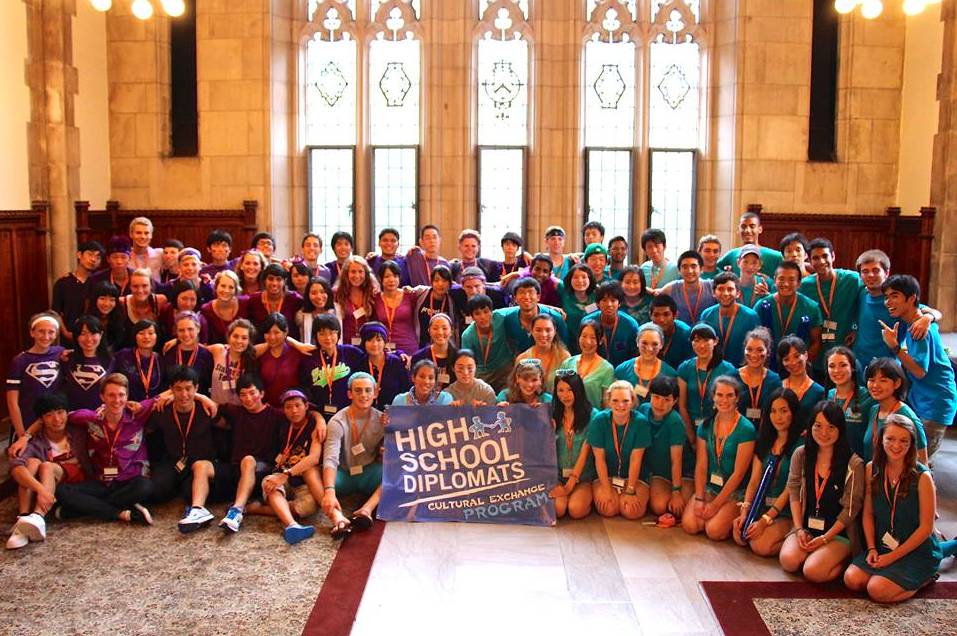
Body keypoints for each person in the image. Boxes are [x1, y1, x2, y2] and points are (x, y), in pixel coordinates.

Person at [844, 415, 951, 603]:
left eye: (904, 441)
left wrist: (892, 557)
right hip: (883, 545)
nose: (896, 445)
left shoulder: (922, 477)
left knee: (877, 590)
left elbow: (926, 528)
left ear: (912, 443)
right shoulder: (872, 469)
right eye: (890, 439)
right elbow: (868, 514)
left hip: (916, 550)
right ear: (881, 440)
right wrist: (870, 548)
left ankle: (927, 576)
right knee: (852, 579)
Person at [51, 374, 155, 525]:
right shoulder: (91, 418)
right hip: (102, 481)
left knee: (146, 487)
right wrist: (26, 436)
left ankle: (78, 510)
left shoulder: (137, 414)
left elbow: (170, 393)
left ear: (127, 396)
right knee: (61, 491)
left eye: (121, 395)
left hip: (130, 480)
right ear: (102, 397)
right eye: (111, 395)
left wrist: (202, 398)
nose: (117, 400)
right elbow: (57, 419)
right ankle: (121, 512)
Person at [780, 401, 865, 582]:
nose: (823, 433)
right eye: (818, 426)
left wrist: (826, 538)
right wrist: (799, 528)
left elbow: (851, 509)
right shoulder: (801, 454)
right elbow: (794, 491)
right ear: (810, 427)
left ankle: (843, 561)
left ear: (840, 429)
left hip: (837, 534)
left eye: (831, 427)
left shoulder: (854, 463)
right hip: (807, 528)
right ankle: (818, 555)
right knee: (788, 561)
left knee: (813, 572)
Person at [880, 274, 957, 461]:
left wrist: (895, 347)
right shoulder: (917, 317)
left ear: (911, 298)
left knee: (919, 464)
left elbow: (919, 371)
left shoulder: (919, 329)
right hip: (922, 401)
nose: (888, 302)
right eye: (886, 297)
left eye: (894, 296)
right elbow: (931, 311)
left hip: (935, 403)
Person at [6, 393, 87, 549]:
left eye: (60, 412)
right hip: (49, 490)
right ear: (41, 419)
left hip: (77, 482)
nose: (56, 419)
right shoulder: (36, 441)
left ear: (67, 413)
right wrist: (41, 490)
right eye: (49, 415)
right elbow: (16, 469)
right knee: (32, 462)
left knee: (46, 466)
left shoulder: (78, 431)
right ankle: (23, 520)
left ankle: (37, 516)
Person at [682, 376, 756, 541]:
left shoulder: (746, 429)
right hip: (711, 487)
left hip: (734, 492)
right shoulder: (705, 426)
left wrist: (716, 505)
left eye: (730, 395)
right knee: (690, 525)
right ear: (713, 397)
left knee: (713, 531)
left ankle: (731, 517)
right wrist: (700, 498)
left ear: (737, 398)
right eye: (720, 395)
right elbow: (701, 466)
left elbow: (739, 474)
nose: (724, 400)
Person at [146, 367, 223, 521]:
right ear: (171, 390)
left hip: (199, 462)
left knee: (191, 494)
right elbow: (147, 430)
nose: (184, 395)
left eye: (188, 389)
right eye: (178, 389)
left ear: (196, 388)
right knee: (157, 491)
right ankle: (174, 484)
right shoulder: (163, 410)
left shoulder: (206, 409)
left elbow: (226, 426)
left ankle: (185, 491)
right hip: (172, 460)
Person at [733, 388, 803, 557]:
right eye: (773, 411)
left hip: (786, 511)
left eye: (784, 411)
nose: (777, 417)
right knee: (740, 536)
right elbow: (754, 481)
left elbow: (790, 490)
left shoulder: (800, 445)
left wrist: (766, 520)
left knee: (760, 546)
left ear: (793, 413)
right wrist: (745, 511)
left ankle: (795, 544)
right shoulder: (764, 441)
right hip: (761, 505)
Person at [257, 389, 327, 545]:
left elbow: (314, 458)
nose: (294, 411)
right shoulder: (282, 425)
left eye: (297, 405)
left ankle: (255, 509)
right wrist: (280, 476)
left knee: (308, 507)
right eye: (288, 407)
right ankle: (291, 525)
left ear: (306, 406)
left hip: (302, 480)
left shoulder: (314, 426)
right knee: (269, 484)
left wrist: (319, 417)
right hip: (281, 476)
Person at [216, 374, 282, 533]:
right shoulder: (236, 412)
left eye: (252, 393)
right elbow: (213, 407)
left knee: (248, 460)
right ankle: (197, 510)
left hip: (263, 469)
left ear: (262, 393)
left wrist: (319, 420)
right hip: (237, 469)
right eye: (243, 395)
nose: (248, 398)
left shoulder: (275, 415)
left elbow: (305, 412)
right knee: (201, 466)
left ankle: (236, 511)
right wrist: (198, 396)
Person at [322, 373, 385, 538]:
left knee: (399, 471)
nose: (363, 395)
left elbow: (392, 453)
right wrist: (329, 491)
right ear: (350, 394)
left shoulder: (383, 420)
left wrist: (386, 452)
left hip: (369, 473)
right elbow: (330, 458)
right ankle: (337, 518)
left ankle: (366, 510)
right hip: (344, 474)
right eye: (358, 391)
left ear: (375, 393)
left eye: (367, 390)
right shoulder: (337, 422)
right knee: (316, 477)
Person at [852, 249, 937, 367]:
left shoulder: (896, 301)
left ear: (886, 273)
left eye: (876, 270)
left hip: (887, 368)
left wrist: (928, 317)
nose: (870, 275)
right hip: (859, 364)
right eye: (865, 271)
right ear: (860, 276)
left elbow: (929, 311)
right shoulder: (862, 294)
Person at [588, 380, 651, 519]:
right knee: (609, 509)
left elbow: (636, 460)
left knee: (631, 511)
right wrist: (605, 488)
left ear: (632, 401)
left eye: (625, 400)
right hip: (607, 475)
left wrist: (630, 490)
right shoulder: (599, 421)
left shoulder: (641, 422)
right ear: (608, 401)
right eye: (615, 400)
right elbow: (599, 459)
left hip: (634, 478)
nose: (620, 405)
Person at [799, 238, 863, 376]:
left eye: (825, 256)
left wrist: (855, 327)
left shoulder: (851, 279)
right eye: (815, 258)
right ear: (809, 261)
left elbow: (876, 291)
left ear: (833, 256)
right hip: (818, 354)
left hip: (846, 349)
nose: (821, 261)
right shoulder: (805, 285)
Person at [6, 313, 65, 440]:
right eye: (41, 331)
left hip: (55, 422)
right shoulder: (20, 361)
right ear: (32, 333)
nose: (46, 336)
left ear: (56, 334)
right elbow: (12, 402)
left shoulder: (60, 353)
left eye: (51, 332)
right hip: (29, 420)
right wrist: (22, 434)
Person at [755, 261, 822, 368]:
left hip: (798, 367)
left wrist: (800, 364)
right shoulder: (762, 306)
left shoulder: (811, 307)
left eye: (791, 280)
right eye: (781, 279)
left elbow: (816, 342)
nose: (786, 284)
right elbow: (754, 340)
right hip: (767, 367)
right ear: (774, 280)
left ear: (799, 283)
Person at [639, 376, 690, 517]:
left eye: (666, 399)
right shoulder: (643, 410)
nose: (660, 404)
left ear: (675, 401)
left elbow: (676, 460)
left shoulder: (675, 422)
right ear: (650, 396)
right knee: (658, 506)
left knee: (665, 507)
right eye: (656, 397)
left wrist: (676, 491)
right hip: (655, 471)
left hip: (678, 472)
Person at [862, 358, 928, 465]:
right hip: (872, 477)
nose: (875, 385)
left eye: (883, 380)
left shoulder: (907, 416)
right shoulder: (874, 410)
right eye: (871, 380)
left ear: (897, 383)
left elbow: (922, 461)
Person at [549, 371, 596, 519]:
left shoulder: (592, 415)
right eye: (560, 390)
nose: (565, 395)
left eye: (570, 390)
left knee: (576, 510)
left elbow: (585, 451)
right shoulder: (551, 414)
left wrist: (569, 486)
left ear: (578, 390)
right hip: (558, 475)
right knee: (559, 510)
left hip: (582, 477)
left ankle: (589, 497)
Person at [298, 314, 364, 415]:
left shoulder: (351, 353)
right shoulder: (308, 358)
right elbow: (303, 388)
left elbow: (372, 355)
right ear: (315, 335)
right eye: (322, 334)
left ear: (338, 334)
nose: (328, 338)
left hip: (348, 413)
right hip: (318, 414)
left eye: (332, 333)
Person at [677, 324, 736, 433]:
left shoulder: (727, 369)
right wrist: (691, 437)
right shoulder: (684, 368)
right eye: (697, 340)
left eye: (706, 340)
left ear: (715, 341)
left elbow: (731, 405)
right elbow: (682, 406)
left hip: (718, 427)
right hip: (689, 426)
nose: (701, 345)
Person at [700, 272, 761, 368]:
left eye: (730, 289)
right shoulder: (706, 315)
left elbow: (758, 347)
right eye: (720, 289)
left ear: (738, 293)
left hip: (742, 371)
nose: (725, 293)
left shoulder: (751, 317)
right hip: (714, 369)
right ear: (713, 293)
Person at [496, 277, 568, 354]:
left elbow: (564, 347)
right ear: (515, 298)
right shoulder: (509, 319)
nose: (526, 297)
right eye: (522, 292)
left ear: (538, 297)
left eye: (530, 292)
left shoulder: (555, 318)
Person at [825, 347, 874, 459]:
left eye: (843, 365)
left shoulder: (869, 397)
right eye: (832, 366)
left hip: (859, 464)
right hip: (831, 461)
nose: (837, 370)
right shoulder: (827, 396)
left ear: (852, 367)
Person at [614, 322, 678, 405]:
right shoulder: (622, 370)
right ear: (637, 342)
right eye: (644, 343)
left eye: (655, 344)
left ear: (661, 345)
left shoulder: (670, 374)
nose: (649, 348)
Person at [52, 240, 103, 344]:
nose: (93, 259)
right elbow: (56, 311)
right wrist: (66, 333)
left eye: (98, 257)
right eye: (90, 254)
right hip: (69, 336)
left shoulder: (99, 282)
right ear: (79, 254)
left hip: (93, 337)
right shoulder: (63, 282)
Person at [460, 294, 513, 392]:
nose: (483, 317)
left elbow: (519, 309)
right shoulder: (467, 336)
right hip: (483, 374)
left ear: (491, 312)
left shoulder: (500, 316)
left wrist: (549, 309)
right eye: (477, 313)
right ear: (472, 317)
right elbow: (467, 362)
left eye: (486, 312)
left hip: (505, 369)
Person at [558, 319, 614, 409]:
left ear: (600, 341)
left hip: (593, 419)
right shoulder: (567, 363)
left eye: (593, 338)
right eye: (584, 336)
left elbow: (606, 404)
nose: (588, 341)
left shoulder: (607, 369)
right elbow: (559, 393)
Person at [583, 281, 640, 367]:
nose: (609, 304)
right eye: (604, 300)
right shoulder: (588, 322)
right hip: (594, 370)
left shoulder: (631, 325)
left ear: (619, 303)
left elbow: (635, 357)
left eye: (613, 300)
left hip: (622, 372)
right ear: (598, 303)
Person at [731, 327, 783, 421]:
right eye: (749, 349)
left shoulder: (775, 381)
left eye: (759, 350)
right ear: (744, 350)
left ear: (768, 352)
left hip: (766, 432)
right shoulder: (732, 378)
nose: (754, 355)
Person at [257, 313, 308, 408]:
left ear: (285, 332)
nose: (272, 337)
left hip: (293, 410)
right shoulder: (261, 354)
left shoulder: (297, 353)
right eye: (268, 332)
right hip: (268, 409)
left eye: (276, 332)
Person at [62, 315, 114, 411]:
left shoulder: (112, 361)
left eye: (93, 333)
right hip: (72, 418)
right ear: (76, 337)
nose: (89, 339)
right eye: (83, 333)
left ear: (101, 335)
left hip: (101, 418)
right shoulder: (66, 359)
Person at [206, 319, 259, 407]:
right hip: (215, 407)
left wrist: (287, 338)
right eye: (235, 336)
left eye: (244, 338)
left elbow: (271, 344)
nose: (239, 341)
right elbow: (197, 347)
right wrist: (175, 341)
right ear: (229, 336)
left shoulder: (251, 356)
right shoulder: (219, 350)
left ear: (249, 341)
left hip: (240, 410)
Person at [777, 336, 826, 431]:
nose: (793, 362)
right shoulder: (777, 387)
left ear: (806, 355)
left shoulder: (819, 392)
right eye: (787, 359)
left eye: (796, 356)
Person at [358, 321, 411, 409]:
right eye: (370, 340)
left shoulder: (397, 363)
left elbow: (407, 393)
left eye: (379, 340)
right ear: (364, 343)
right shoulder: (359, 363)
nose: (374, 344)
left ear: (385, 342)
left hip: (394, 415)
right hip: (365, 415)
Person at [716, 211, 783, 278]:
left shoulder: (776, 257)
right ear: (738, 230)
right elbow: (713, 271)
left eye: (752, 226)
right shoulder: (731, 255)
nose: (747, 230)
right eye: (743, 226)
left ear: (760, 229)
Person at [160, 311, 214, 395]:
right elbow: (165, 383)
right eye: (181, 330)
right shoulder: (169, 352)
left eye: (190, 329)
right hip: (172, 402)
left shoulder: (207, 355)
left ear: (198, 329)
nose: (186, 334)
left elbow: (209, 386)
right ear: (176, 332)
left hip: (199, 404)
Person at [372, 261, 419, 354]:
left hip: (408, 347)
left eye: (395, 276)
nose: (391, 280)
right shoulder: (375, 298)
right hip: (383, 348)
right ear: (381, 279)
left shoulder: (410, 295)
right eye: (387, 276)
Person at [516, 313, 570, 391]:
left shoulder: (564, 357)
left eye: (548, 330)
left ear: (554, 331)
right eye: (538, 330)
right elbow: (516, 389)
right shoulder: (522, 359)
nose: (544, 334)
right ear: (532, 331)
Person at [113, 320, 165, 402]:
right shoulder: (122, 356)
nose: (146, 337)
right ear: (134, 336)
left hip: (153, 407)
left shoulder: (160, 360)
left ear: (157, 336)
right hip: (126, 406)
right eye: (141, 333)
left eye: (151, 333)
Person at [247, 263, 302, 340]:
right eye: (270, 279)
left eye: (279, 279)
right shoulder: (254, 300)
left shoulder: (295, 299)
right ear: (264, 280)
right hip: (261, 347)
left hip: (289, 347)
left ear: (285, 281)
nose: (274, 283)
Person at [333, 255, 379, 346]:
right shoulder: (337, 294)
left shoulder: (373, 293)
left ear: (366, 273)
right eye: (353, 272)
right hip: (344, 344)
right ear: (346, 273)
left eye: (360, 272)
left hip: (368, 344)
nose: (357, 276)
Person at [661, 251, 716, 325]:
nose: (689, 271)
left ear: (701, 269)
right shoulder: (670, 289)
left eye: (693, 266)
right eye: (685, 267)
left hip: (707, 334)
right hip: (680, 334)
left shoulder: (712, 287)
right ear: (679, 271)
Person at [118, 269, 168, 346]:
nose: (140, 290)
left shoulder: (160, 301)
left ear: (151, 286)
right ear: (130, 287)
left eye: (144, 286)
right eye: (135, 286)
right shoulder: (122, 303)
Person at [411, 313, 459, 391]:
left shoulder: (458, 357)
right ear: (429, 331)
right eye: (435, 328)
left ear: (451, 332)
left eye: (444, 328)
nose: (440, 332)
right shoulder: (419, 357)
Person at [200, 270, 249, 345]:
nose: (226, 290)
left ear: (236, 291)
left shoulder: (245, 302)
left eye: (231, 287)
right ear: (216, 287)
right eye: (223, 286)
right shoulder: (206, 309)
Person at [414, 264, 458, 346]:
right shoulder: (420, 293)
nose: (440, 284)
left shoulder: (452, 300)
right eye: (436, 280)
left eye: (444, 281)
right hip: (419, 345)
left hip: (442, 346)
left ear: (450, 283)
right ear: (431, 282)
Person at [557, 264, 597, 352]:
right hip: (568, 343)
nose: (580, 280)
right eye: (575, 277)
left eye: (584, 277)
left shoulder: (597, 295)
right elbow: (549, 278)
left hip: (592, 343)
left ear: (590, 279)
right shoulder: (564, 292)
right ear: (570, 279)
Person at [650, 295, 693, 371]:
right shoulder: (644, 334)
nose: (661, 319)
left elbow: (690, 368)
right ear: (650, 316)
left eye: (666, 314)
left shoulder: (686, 335)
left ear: (675, 315)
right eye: (656, 315)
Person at [159, 279, 209, 344]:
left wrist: (177, 341)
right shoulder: (166, 310)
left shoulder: (201, 320)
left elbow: (204, 346)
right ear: (176, 297)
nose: (188, 304)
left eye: (192, 299)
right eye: (184, 299)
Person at [86, 281, 127, 349]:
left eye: (112, 300)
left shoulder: (120, 319)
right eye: (102, 298)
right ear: (95, 299)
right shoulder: (86, 321)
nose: (107, 304)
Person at [296, 277, 336, 345]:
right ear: (308, 295)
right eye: (314, 293)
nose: (319, 297)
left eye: (322, 292)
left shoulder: (338, 312)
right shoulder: (301, 317)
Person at [737, 244, 775, 309]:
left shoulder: (768, 283)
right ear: (738, 263)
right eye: (746, 262)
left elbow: (777, 307)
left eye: (754, 263)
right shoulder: (732, 285)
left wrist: (767, 296)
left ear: (760, 265)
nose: (750, 267)